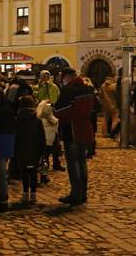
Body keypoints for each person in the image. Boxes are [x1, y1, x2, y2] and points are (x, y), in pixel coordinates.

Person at [54, 70, 95, 206]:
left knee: (73, 164)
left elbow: (61, 110)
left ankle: (76, 194)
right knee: (82, 162)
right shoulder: (88, 89)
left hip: (72, 130)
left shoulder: (68, 90)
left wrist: (53, 109)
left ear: (67, 77)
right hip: (85, 129)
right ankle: (83, 193)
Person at [14, 96, 44, 205]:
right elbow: (42, 137)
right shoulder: (37, 120)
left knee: (25, 172)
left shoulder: (17, 120)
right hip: (35, 150)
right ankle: (34, 194)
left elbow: (15, 136)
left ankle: (25, 193)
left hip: (22, 149)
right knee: (33, 172)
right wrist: (42, 150)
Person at [36, 99, 59, 184]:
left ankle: (41, 176)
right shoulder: (48, 115)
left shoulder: (39, 116)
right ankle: (43, 176)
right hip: (48, 138)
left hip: (43, 139)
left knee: (42, 157)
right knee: (45, 159)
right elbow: (54, 121)